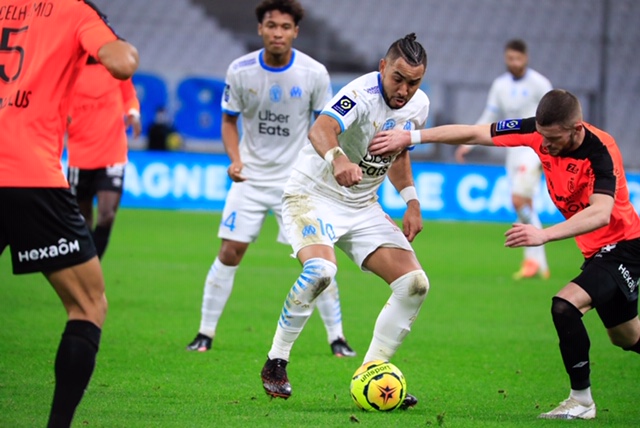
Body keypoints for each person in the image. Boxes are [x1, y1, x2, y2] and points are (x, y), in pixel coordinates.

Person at [369, 89, 640, 420]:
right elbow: (474, 132)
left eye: (553, 139)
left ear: (576, 129)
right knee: (626, 337)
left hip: (625, 247)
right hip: (596, 252)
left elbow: (601, 213)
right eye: (541, 137)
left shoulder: (600, 150)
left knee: (565, 306)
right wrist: (409, 136)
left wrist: (543, 235)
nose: (545, 145)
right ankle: (583, 399)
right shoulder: (537, 133)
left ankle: (581, 402)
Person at [260, 33, 430, 410]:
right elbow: (321, 129)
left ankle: (372, 370)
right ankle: (276, 360)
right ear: (383, 67)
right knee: (321, 270)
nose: (404, 90)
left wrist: (411, 200)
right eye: (398, 78)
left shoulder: (419, 106)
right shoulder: (360, 93)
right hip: (312, 195)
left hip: (363, 204)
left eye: (414, 82)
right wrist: (338, 159)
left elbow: (398, 153)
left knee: (415, 284)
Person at [186, 0, 356, 358]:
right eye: (271, 25)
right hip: (250, 177)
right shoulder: (240, 70)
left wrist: (325, 167)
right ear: (260, 29)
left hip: (296, 182)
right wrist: (234, 159)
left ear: (295, 31)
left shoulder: (313, 73)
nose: (277, 32)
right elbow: (229, 121)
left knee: (318, 260)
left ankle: (337, 337)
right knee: (230, 251)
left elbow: (325, 127)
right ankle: (205, 332)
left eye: (284, 27)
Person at [0, 1, 138, 427]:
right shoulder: (75, 12)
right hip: (26, 172)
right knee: (87, 305)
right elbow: (121, 62)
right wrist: (112, 40)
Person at [455, 39, 552, 280]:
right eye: (510, 59)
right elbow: (490, 114)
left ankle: (535, 260)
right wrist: (469, 141)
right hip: (513, 150)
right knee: (524, 206)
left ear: (526, 58)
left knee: (518, 200)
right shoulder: (500, 85)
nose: (514, 63)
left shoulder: (540, 83)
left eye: (518, 59)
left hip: (534, 147)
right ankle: (536, 263)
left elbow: (554, 115)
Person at [67, 59, 141, 259]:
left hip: (112, 154)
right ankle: (85, 266)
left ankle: (92, 264)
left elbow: (129, 96)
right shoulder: (70, 70)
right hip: (80, 155)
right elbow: (57, 101)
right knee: (81, 220)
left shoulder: (115, 68)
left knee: (107, 215)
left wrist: (133, 114)